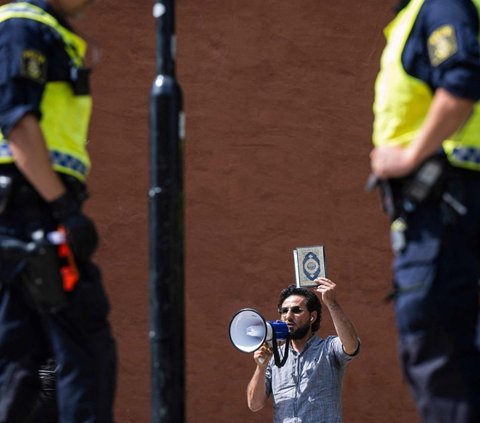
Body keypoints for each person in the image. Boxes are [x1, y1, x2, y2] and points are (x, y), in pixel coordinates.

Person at [0, 0, 117, 422]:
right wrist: (63, 209)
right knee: (85, 348)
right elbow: (17, 123)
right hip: (35, 210)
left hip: (27, 211)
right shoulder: (24, 26)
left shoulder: (47, 30)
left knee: (21, 363)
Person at [369, 0, 480, 422]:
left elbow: (462, 83)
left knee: (437, 342)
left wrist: (411, 155)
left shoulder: (443, 6)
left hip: (447, 206)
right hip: (450, 202)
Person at [247, 277, 360, 423]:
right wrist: (261, 367)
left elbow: (351, 346)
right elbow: (254, 404)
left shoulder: (328, 348)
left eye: (296, 310)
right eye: (284, 311)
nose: (288, 316)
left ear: (312, 317)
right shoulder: (274, 357)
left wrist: (332, 303)